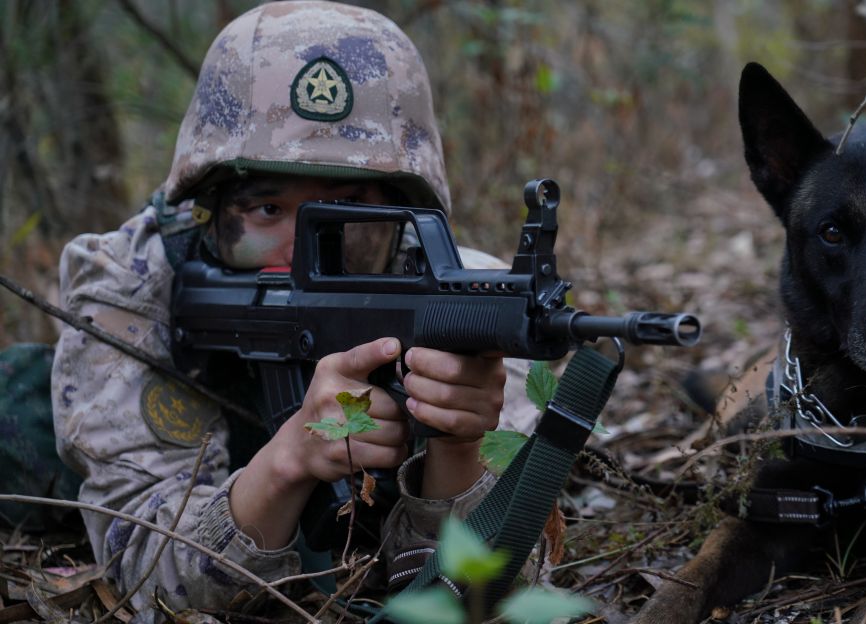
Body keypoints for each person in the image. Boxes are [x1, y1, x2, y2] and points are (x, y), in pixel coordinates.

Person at [51, 2, 534, 618]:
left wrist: (457, 453)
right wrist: (287, 463)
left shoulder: (475, 307)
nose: (298, 250)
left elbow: (493, 593)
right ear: (210, 204)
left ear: (404, 209)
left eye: (345, 210)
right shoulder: (134, 287)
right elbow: (145, 576)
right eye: (267, 210)